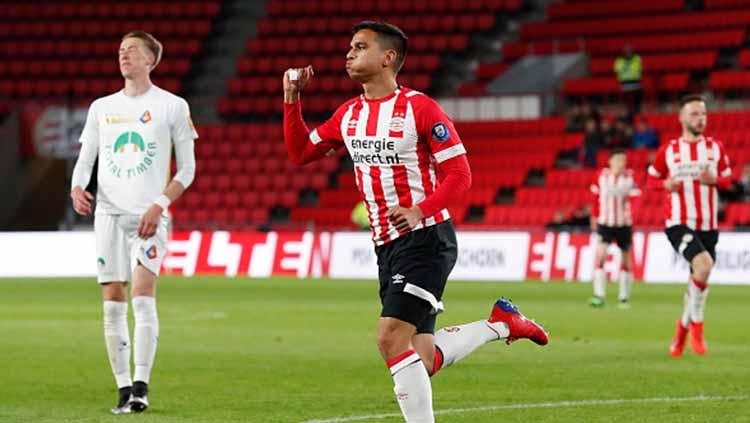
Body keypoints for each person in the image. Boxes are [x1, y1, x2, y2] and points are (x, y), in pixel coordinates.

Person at [282, 21, 548, 422]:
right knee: (420, 359)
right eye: (350, 47)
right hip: (386, 246)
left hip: (426, 239)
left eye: (359, 47)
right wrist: (291, 99)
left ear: (388, 58)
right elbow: (301, 152)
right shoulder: (349, 115)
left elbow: (460, 175)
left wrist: (418, 210)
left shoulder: (420, 109)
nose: (349, 54)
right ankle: (503, 324)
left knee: (389, 338)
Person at [70, 31, 198, 414]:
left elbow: (188, 169)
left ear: (151, 60)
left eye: (132, 51)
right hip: (108, 214)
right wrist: (77, 186)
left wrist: (159, 205)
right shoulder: (101, 108)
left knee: (143, 297)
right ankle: (123, 389)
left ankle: (141, 386)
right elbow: (86, 158)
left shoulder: (172, 106)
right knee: (112, 304)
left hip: (148, 217)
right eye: (121, 51)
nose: (124, 56)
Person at [647, 94, 732, 357]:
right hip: (679, 223)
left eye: (703, 114)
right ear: (682, 117)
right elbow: (651, 179)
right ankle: (697, 325)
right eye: (695, 114)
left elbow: (729, 181)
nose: (700, 118)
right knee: (704, 266)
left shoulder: (715, 148)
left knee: (699, 276)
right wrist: (665, 185)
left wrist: (714, 179)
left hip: (708, 225)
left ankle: (680, 334)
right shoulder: (669, 150)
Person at [589, 148, 641, 308]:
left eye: (623, 161)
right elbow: (595, 198)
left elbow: (637, 199)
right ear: (610, 161)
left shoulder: (630, 178)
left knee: (626, 259)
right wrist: (594, 217)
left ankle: (624, 298)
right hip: (605, 223)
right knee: (601, 256)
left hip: (623, 224)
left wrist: (631, 214)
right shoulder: (601, 176)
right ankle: (599, 295)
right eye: (618, 160)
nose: (621, 164)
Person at [614, 45, 642, 115]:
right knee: (626, 98)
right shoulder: (619, 60)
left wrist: (626, 68)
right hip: (624, 83)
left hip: (635, 82)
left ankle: (637, 110)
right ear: (623, 52)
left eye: (629, 50)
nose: (628, 52)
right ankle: (629, 111)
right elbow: (617, 70)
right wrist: (628, 68)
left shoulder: (637, 58)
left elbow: (637, 68)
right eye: (626, 51)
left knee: (638, 95)